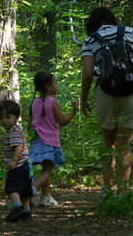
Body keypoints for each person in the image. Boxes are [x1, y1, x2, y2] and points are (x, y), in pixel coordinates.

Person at [80, 7, 133, 197]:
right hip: (132, 92)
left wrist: (84, 100)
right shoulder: (130, 32)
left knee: (108, 142)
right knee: (125, 145)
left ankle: (107, 189)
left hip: (105, 92)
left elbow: (87, 73)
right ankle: (123, 191)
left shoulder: (90, 39)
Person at [28, 72, 77, 206]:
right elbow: (62, 121)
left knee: (46, 170)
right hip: (49, 142)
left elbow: (30, 124)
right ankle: (32, 190)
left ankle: (46, 197)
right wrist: (73, 112)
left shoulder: (34, 102)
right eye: (55, 83)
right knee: (48, 170)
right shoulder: (53, 103)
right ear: (48, 86)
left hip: (37, 140)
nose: (57, 86)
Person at [0, 100, 33, 222]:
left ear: (17, 117)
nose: (4, 121)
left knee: (12, 188)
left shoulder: (13, 131)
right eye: (1, 118)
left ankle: (17, 207)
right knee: (24, 190)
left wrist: (13, 161)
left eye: (8, 117)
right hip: (24, 166)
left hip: (17, 166)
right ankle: (26, 211)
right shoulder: (16, 129)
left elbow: (18, 147)